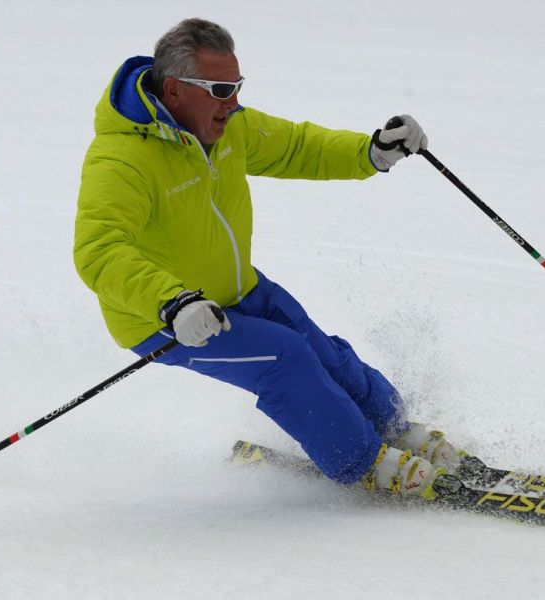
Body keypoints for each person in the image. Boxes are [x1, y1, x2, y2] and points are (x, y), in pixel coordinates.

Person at [74, 18, 458, 495]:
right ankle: (364, 465)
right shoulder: (122, 158)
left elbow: (296, 146)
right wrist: (171, 304)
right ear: (173, 91)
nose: (232, 102)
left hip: (237, 290)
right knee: (286, 358)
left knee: (320, 349)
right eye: (219, 89)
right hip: (165, 319)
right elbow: (99, 250)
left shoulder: (229, 127)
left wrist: (371, 152)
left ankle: (394, 428)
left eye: (236, 87)